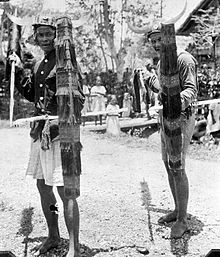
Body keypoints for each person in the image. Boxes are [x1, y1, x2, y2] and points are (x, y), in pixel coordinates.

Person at [9, 16, 82, 257]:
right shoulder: (42, 63)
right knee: (42, 185)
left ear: (58, 36)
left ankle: (74, 246)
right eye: (40, 35)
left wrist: (60, 126)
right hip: (41, 132)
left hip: (60, 133)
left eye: (49, 34)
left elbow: (77, 101)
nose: (45, 39)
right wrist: (19, 68)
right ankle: (53, 235)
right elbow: (33, 95)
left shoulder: (66, 63)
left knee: (65, 189)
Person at [145, 26, 198, 238]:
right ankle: (177, 210)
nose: (157, 45)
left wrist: (173, 103)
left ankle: (183, 220)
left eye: (160, 40)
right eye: (153, 41)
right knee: (168, 163)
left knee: (178, 166)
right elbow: (165, 88)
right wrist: (151, 80)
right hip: (165, 117)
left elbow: (190, 91)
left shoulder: (184, 60)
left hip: (182, 117)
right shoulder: (161, 62)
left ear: (170, 38)